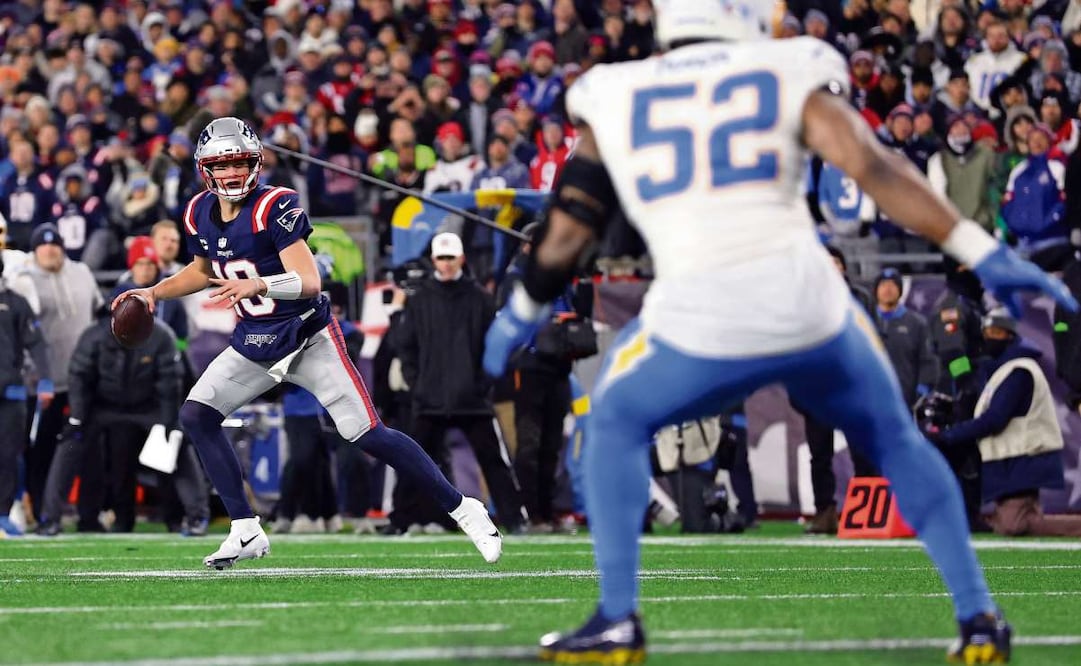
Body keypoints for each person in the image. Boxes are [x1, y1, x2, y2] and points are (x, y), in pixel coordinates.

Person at [482, 3, 1078, 662]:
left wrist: (523, 311)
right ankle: (978, 618)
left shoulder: (614, 91)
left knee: (614, 419)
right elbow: (873, 168)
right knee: (894, 438)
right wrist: (979, 248)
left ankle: (617, 618)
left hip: (699, 317)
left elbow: (568, 228)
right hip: (809, 307)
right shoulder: (787, 67)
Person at [113, 117, 502, 569]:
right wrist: (153, 292)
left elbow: (311, 281)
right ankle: (245, 529)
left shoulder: (275, 205)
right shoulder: (198, 210)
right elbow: (201, 272)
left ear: (255, 163)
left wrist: (259, 285)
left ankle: (463, 508)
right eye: (223, 164)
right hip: (255, 342)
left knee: (368, 434)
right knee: (197, 415)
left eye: (240, 161)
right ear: (206, 169)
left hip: (307, 338)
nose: (233, 172)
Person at [394, 232, 526, 534]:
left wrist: (481, 385)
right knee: (410, 462)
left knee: (493, 461)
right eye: (441, 257)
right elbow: (406, 345)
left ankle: (514, 519)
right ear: (434, 260)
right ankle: (399, 519)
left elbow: (495, 346)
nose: (446, 263)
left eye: (451, 257)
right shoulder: (420, 299)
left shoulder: (480, 298)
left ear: (462, 258)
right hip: (431, 398)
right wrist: (419, 384)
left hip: (471, 399)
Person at [933, 309, 1081, 537]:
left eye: (997, 332)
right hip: (1012, 458)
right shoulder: (1003, 370)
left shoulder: (1019, 370)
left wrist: (951, 435)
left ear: (1010, 336)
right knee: (1013, 520)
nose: (990, 337)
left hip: (1024, 456)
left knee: (1014, 524)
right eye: (987, 332)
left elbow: (994, 419)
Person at [0, 252, 52, 536]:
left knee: (9, 454)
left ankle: (4, 512)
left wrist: (44, 380)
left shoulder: (15, 303)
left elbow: (37, 343)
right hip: (11, 387)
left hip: (11, 389)